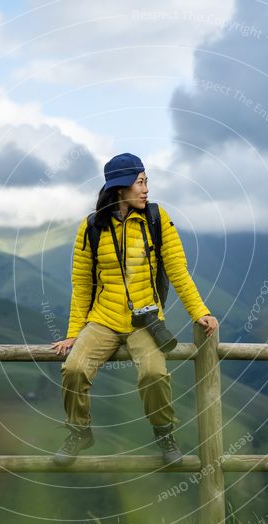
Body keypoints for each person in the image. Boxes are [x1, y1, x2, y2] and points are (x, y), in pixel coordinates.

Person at [50, 152, 219, 466]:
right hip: (102, 319)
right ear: (120, 188)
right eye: (140, 183)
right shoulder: (91, 227)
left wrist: (200, 312)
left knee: (154, 373)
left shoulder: (157, 218)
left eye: (145, 182)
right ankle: (79, 432)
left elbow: (178, 270)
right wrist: (74, 333)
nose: (145, 189)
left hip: (146, 320)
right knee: (73, 370)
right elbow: (82, 285)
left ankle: (165, 433)